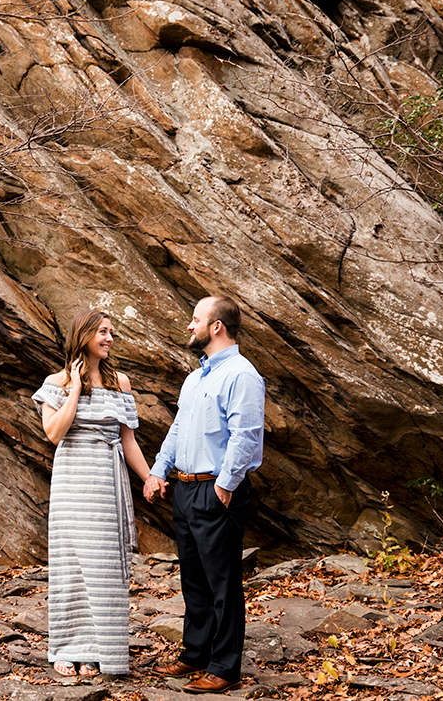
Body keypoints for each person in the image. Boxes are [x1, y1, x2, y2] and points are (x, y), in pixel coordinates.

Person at [143, 295, 265, 694]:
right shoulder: (195, 378)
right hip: (184, 488)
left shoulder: (242, 375)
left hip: (217, 491)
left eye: (195, 319)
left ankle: (225, 667)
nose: (189, 326)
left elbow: (246, 436)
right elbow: (178, 430)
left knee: (222, 580)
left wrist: (225, 485)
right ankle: (194, 654)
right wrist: (159, 471)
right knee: (194, 579)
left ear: (217, 327)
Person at [33, 309, 153, 677]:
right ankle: (67, 648)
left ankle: (101, 650)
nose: (109, 338)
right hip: (73, 481)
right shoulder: (57, 381)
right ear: (83, 334)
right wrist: (75, 390)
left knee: (104, 567)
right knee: (71, 565)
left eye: (110, 332)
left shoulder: (121, 383)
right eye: (103, 332)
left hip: (106, 482)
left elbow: (127, 440)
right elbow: (54, 433)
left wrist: (149, 477)